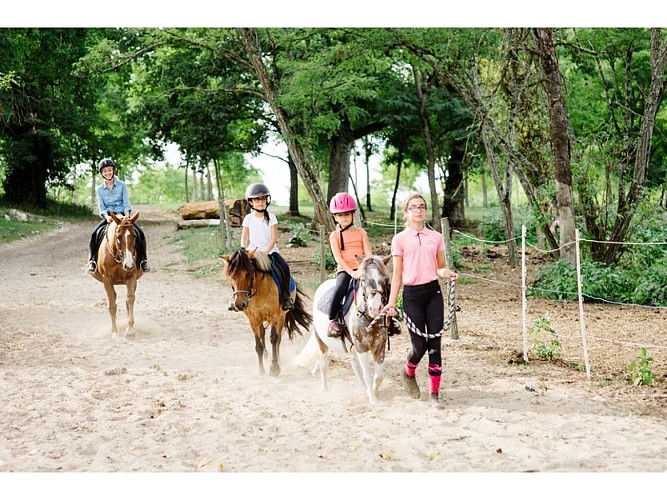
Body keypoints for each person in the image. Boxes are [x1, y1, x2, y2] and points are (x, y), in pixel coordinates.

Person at [382, 193, 458, 409]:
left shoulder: (436, 237)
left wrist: (447, 273)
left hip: (433, 293)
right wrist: (391, 302)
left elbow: (439, 267)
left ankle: (434, 395)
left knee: (435, 345)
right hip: (412, 295)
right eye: (413, 207)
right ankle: (408, 373)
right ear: (406, 211)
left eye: (422, 207)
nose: (418, 210)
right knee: (419, 346)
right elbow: (396, 274)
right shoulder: (399, 240)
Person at [86, 158, 150, 273]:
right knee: (94, 234)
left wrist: (127, 216)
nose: (107, 173)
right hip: (110, 217)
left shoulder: (122, 185)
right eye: (104, 171)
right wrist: (106, 217)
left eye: (109, 170)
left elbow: (126, 203)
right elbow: (102, 206)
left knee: (139, 233)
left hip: (123, 215)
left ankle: (143, 260)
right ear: (102, 173)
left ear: (113, 171)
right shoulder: (99, 189)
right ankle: (93, 260)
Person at [241, 182, 294, 311]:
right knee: (238, 271)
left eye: (263, 199)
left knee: (284, 268)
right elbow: (244, 237)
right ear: (251, 202)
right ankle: (237, 297)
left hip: (269, 251)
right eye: (257, 200)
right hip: (252, 252)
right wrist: (243, 250)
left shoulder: (271, 217)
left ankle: (286, 297)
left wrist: (266, 252)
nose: (261, 202)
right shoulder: (248, 218)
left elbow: (274, 238)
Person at [326, 192, 372, 337]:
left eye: (347, 214)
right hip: (345, 270)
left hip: (363, 268)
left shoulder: (361, 232)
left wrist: (365, 269)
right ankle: (332, 319)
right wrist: (352, 273)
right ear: (335, 217)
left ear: (353, 214)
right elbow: (338, 258)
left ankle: (388, 317)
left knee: (379, 286)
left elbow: (368, 254)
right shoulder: (334, 236)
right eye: (340, 215)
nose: (344, 217)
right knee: (340, 289)